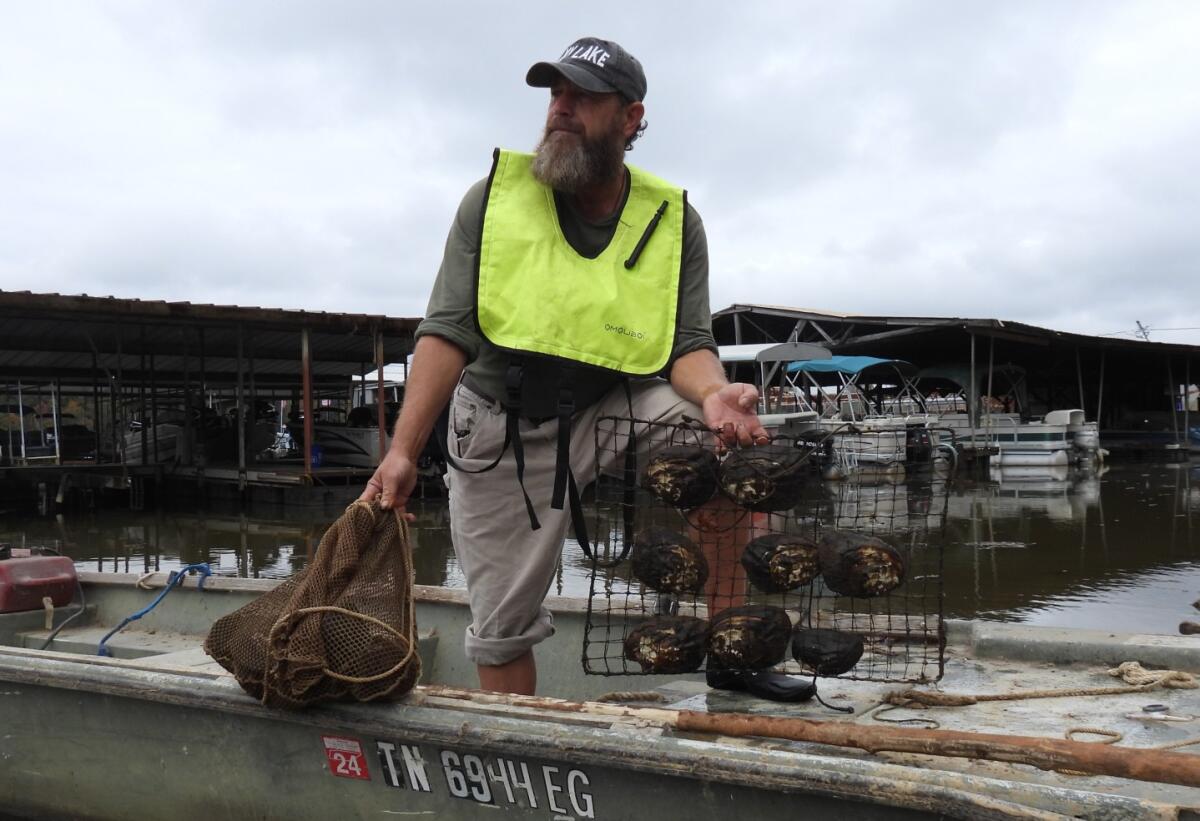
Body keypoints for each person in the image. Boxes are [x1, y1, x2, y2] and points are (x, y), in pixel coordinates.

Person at [361, 36, 812, 702]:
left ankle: (732, 650)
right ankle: (520, 753)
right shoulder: (491, 203)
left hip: (611, 405)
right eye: (555, 93)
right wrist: (401, 452)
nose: (561, 108)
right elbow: (446, 332)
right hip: (501, 430)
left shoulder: (672, 219)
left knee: (727, 447)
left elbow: (686, 343)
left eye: (583, 97)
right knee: (501, 627)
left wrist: (716, 393)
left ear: (631, 118)